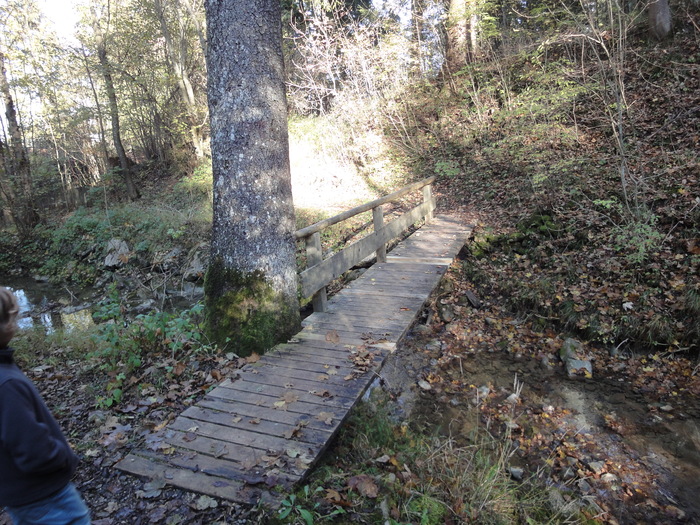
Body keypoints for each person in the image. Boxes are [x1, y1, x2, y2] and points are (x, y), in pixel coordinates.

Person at [0, 287, 91, 525]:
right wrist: (61, 455)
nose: (17, 322)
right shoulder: (6, 384)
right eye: (12, 316)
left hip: (18, 492)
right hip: (44, 494)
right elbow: (31, 447)